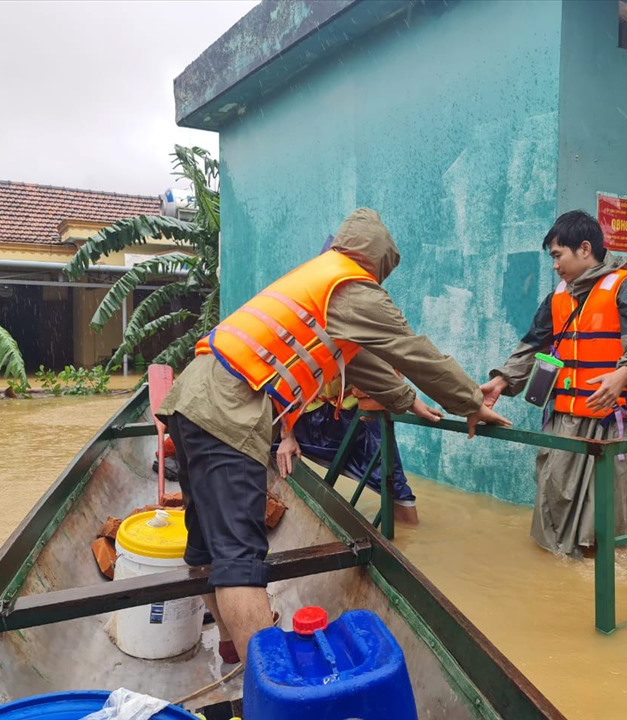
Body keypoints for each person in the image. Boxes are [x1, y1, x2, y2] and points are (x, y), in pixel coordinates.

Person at [156, 207, 510, 665]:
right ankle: (274, 694)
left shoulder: (318, 280)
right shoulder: (353, 288)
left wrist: (406, 400)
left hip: (192, 398)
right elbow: (413, 349)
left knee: (206, 544)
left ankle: (230, 648)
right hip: (228, 408)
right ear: (378, 264)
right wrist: (470, 402)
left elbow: (358, 361)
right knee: (241, 563)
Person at [479, 210, 627, 559]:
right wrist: (503, 380)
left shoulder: (626, 286)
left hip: (612, 424)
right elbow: (533, 343)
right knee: (551, 516)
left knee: (603, 531)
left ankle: (598, 595)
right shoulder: (558, 295)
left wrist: (624, 373)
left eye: (558, 255)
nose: (554, 265)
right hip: (563, 424)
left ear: (585, 248)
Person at [275, 377, 422, 524]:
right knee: (260, 443)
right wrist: (287, 435)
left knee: (393, 482)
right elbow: (275, 377)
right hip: (303, 411)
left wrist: (406, 398)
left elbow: (384, 367)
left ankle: (409, 534)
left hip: (357, 409)